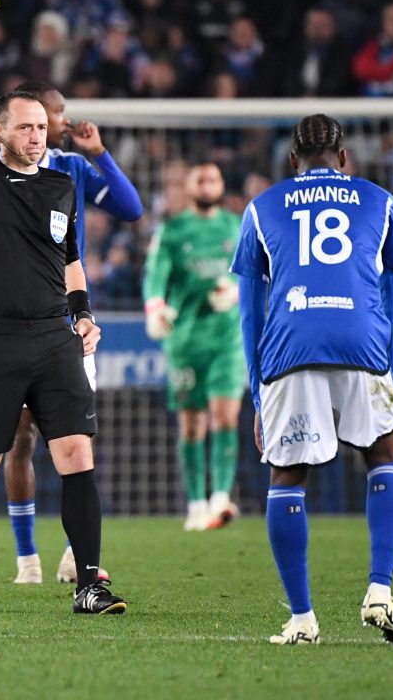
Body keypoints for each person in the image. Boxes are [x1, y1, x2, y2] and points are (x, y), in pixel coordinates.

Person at [0, 0, 125, 616]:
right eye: (25, 127)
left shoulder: (62, 184)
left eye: (42, 128)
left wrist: (84, 314)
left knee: (77, 456)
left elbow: (69, 257)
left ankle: (88, 585)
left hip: (54, 338)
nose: (37, 136)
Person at [231, 114, 393, 645]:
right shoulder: (382, 202)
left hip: (291, 345)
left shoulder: (261, 208)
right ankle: (379, 591)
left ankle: (303, 618)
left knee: (288, 476)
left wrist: (258, 393)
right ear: (344, 158)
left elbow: (250, 313)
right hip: (363, 342)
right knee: (384, 455)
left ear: (292, 160)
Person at [1, 80, 143, 585]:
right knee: (18, 439)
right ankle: (26, 558)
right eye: (56, 113)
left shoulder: (72, 167)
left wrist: (99, 153)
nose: (63, 121)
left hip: (69, 323)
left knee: (75, 439)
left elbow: (131, 209)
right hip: (13, 324)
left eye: (56, 117)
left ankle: (73, 552)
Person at [143, 163, 245, 531]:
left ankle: (220, 498)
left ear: (222, 185)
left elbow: (252, 271)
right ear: (189, 187)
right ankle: (196, 503)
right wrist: (155, 308)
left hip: (228, 339)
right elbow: (155, 276)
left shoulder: (235, 227)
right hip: (185, 341)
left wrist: (235, 291)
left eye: (213, 179)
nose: (207, 186)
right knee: (191, 425)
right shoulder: (172, 231)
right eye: (200, 180)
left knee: (225, 416)